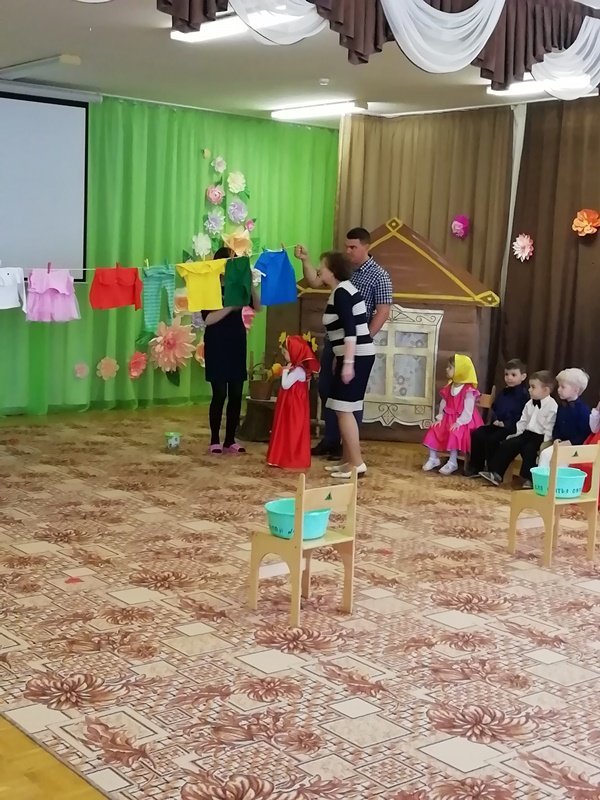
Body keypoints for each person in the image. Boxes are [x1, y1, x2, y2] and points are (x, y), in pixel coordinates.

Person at [295, 227, 392, 460]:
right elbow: (315, 281)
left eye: (353, 247)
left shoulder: (378, 276)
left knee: (348, 402)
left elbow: (381, 311)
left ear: (366, 246)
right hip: (338, 344)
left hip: (352, 346)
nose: (348, 251)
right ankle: (332, 441)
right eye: (346, 247)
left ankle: (350, 454)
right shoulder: (341, 280)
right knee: (329, 391)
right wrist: (305, 260)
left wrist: (359, 344)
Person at [318, 251, 375, 479]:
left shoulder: (342, 292)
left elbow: (350, 331)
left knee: (344, 408)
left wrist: (348, 363)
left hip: (357, 355)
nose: (319, 270)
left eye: (322, 266)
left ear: (332, 271)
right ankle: (348, 460)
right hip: (351, 354)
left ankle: (357, 464)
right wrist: (339, 358)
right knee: (340, 406)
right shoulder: (341, 290)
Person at [202, 246, 260, 454]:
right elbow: (208, 319)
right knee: (219, 393)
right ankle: (214, 440)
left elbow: (258, 307)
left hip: (236, 340)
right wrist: (231, 307)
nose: (236, 263)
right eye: (232, 260)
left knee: (236, 393)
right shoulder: (210, 287)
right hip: (217, 342)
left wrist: (249, 284)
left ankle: (230, 440)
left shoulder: (239, 285)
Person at [480, 370, 558, 488]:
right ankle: (496, 474)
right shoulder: (529, 403)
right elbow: (523, 421)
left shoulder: (552, 406)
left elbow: (549, 427)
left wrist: (545, 443)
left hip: (539, 437)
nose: (529, 390)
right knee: (508, 444)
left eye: (533, 387)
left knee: (529, 450)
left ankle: (529, 479)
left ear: (546, 390)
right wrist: (517, 435)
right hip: (526, 433)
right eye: (530, 387)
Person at [466, 359, 529, 477]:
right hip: (498, 424)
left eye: (513, 375)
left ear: (523, 376)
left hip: (511, 428)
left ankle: (492, 470)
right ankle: (476, 466)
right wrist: (495, 419)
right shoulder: (503, 392)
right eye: (506, 374)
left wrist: (506, 424)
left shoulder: (524, 396)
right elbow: (495, 407)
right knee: (478, 433)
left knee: (493, 439)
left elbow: (521, 415)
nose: (509, 378)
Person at [422, 354, 483, 475]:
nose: (447, 369)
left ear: (460, 371)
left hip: (464, 421)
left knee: (454, 432)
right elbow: (444, 403)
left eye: (450, 367)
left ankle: (452, 461)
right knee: (434, 428)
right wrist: (440, 417)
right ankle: (433, 458)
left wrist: (459, 422)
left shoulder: (468, 390)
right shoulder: (449, 387)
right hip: (448, 417)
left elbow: (468, 410)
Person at [267, 335, 320, 470]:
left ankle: (289, 458)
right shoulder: (298, 369)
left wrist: (285, 371)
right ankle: (282, 457)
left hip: (293, 408)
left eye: (286, 353)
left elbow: (285, 385)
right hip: (291, 406)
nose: (284, 355)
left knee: (292, 432)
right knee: (288, 431)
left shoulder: (298, 370)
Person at [537, 368, 590, 469]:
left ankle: (556, 479)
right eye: (559, 386)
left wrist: (571, 442)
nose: (558, 389)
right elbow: (557, 426)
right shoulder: (561, 406)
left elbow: (584, 432)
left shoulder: (583, 410)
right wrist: (557, 438)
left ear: (576, 390)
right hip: (560, 444)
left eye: (563, 387)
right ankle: (542, 478)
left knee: (560, 462)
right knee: (545, 454)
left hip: (575, 448)